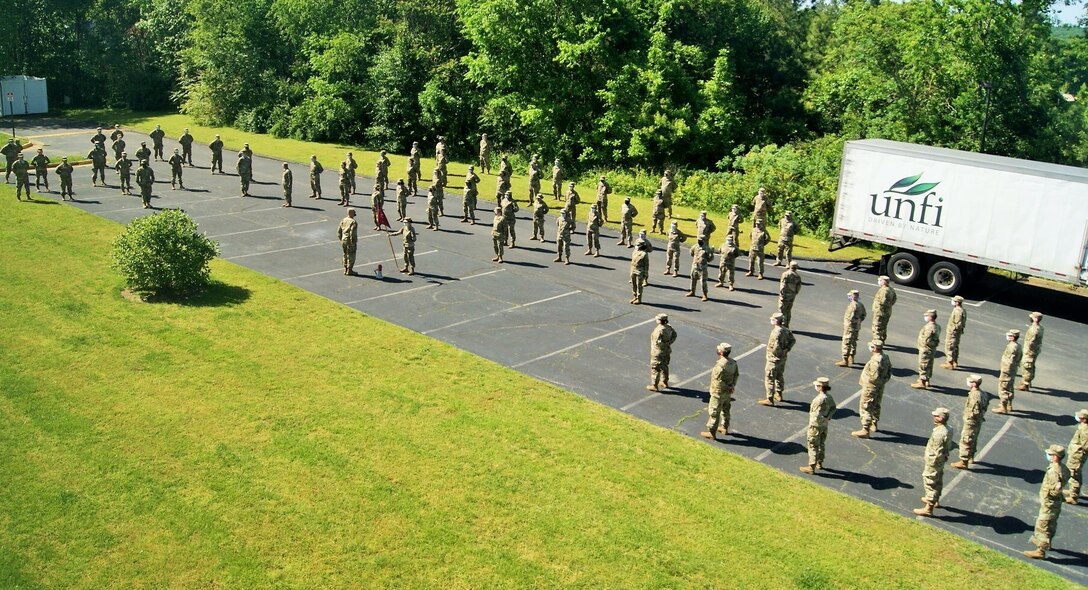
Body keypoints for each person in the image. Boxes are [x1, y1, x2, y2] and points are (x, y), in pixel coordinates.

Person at [1024, 444, 1071, 559]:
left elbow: (1056, 489)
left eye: (1050, 454)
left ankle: (1040, 551)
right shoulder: (1063, 468)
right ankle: (1046, 544)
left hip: (1049, 504)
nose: (1048, 456)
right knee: (1051, 525)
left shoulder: (1053, 472)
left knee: (1043, 526)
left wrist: (1052, 494)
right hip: (1056, 503)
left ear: (1055, 457)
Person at [913, 407, 953, 517]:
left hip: (934, 461)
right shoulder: (948, 429)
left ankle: (929, 507)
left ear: (941, 418)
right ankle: (935, 500)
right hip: (941, 459)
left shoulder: (939, 433)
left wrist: (931, 462)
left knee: (930, 481)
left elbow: (936, 451)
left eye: (936, 416)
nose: (934, 417)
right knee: (938, 479)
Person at [852, 340, 892, 437]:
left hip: (871, 387)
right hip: (880, 386)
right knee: (876, 404)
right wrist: (882, 382)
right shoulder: (885, 357)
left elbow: (874, 377)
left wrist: (868, 382)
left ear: (874, 348)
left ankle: (865, 429)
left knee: (866, 406)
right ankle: (874, 423)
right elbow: (889, 373)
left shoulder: (875, 361)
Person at [701, 343, 740, 440]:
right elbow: (736, 375)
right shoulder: (733, 363)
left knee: (714, 412)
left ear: (721, 352)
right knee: (725, 410)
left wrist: (726, 387)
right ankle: (724, 427)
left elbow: (718, 381)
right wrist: (731, 386)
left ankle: (711, 432)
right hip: (727, 392)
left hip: (718, 392)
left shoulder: (720, 365)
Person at [951, 375, 989, 470]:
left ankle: (964, 461)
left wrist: (969, 418)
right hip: (978, 420)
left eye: (970, 381)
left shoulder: (975, 395)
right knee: (974, 438)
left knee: (966, 439)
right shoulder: (983, 393)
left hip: (972, 421)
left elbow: (974, 410)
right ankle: (971, 457)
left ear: (974, 383)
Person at [800, 377, 837, 474]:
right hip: (824, 425)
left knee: (813, 445)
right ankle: (819, 463)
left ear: (820, 387)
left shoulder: (818, 400)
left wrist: (814, 424)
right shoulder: (828, 397)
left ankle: (811, 467)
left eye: (817, 385)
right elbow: (833, 408)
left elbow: (815, 415)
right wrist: (828, 418)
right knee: (821, 444)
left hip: (815, 426)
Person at [758, 313, 795, 406]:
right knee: (779, 375)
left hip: (773, 359)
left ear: (775, 321)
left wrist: (776, 354)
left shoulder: (775, 332)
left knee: (769, 378)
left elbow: (775, 347)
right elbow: (793, 340)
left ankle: (769, 398)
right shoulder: (786, 330)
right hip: (782, 359)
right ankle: (779, 394)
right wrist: (786, 350)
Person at [910, 309, 940, 390]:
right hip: (931, 349)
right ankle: (926, 380)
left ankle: (922, 382)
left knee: (923, 365)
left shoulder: (929, 327)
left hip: (926, 349)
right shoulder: (937, 326)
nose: (925, 317)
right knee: (929, 365)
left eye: (927, 316)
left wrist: (923, 346)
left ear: (930, 317)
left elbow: (927, 340)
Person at [836, 290, 867, 367]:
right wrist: (858, 322)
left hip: (850, 327)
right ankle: (851, 357)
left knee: (846, 342)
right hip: (856, 327)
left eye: (850, 295)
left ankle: (845, 360)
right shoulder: (860, 304)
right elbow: (864, 315)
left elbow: (850, 317)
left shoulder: (853, 305)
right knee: (853, 342)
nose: (849, 297)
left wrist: (851, 324)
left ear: (853, 296)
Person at [994, 329, 1022, 414]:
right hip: (1013, 370)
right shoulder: (1018, 345)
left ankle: (1003, 407)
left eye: (1009, 336)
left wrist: (1005, 370)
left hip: (1007, 370)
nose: (1008, 337)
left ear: (1013, 337)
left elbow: (1009, 360)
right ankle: (1009, 405)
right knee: (1010, 386)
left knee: (1003, 387)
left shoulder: (1012, 347)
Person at [648, 314, 677, 391]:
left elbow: (657, 342)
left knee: (655, 368)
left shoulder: (659, 330)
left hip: (658, 352)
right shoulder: (669, 327)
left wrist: (660, 346)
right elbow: (674, 335)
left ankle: (654, 385)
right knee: (664, 366)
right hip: (666, 350)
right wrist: (669, 342)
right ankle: (664, 381)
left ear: (660, 320)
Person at [1065, 409, 1088, 504]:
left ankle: (1073, 496)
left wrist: (1079, 453)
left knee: (1074, 474)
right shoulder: (1082, 426)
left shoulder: (1085, 429)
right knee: (1072, 472)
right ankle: (1072, 491)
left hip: (1077, 456)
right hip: (1075, 454)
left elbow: (1086, 445)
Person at [1018, 312, 1044, 391]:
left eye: (1032, 317)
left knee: (1027, 366)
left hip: (1030, 352)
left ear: (1035, 319)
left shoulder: (1034, 329)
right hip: (1034, 351)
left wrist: (1029, 350)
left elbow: (1031, 342)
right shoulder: (1040, 327)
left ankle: (1026, 384)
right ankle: (1025, 380)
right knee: (1028, 365)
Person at [941, 295, 967, 369]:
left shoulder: (958, 311)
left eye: (954, 301)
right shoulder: (962, 310)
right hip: (957, 332)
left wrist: (952, 330)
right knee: (955, 346)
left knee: (950, 346)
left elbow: (957, 323)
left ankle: (950, 363)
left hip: (953, 332)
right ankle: (954, 361)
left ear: (957, 302)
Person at [871, 275, 897, 343]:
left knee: (877, 326)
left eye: (880, 280)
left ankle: (877, 342)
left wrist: (878, 308)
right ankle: (882, 340)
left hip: (880, 312)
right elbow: (894, 299)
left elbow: (882, 302)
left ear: (884, 282)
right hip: (887, 312)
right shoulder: (891, 289)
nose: (878, 282)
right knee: (883, 326)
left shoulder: (884, 290)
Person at [776, 262, 802, 327]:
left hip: (785, 295)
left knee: (782, 310)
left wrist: (782, 294)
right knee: (788, 311)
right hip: (792, 295)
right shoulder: (797, 276)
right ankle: (787, 324)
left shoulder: (785, 274)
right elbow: (798, 287)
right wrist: (795, 293)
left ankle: (782, 325)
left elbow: (783, 285)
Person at [337, 209, 359, 276]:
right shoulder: (353, 222)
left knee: (345, 254)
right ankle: (349, 270)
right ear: (352, 213)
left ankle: (345, 269)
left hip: (344, 239)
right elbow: (352, 232)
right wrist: (353, 241)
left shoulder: (343, 220)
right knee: (351, 255)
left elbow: (339, 231)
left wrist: (341, 239)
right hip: (349, 240)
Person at [630, 240, 650, 304]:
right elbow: (632, 261)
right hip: (633, 269)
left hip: (640, 270)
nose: (636, 246)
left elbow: (646, 264)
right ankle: (634, 296)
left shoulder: (644, 254)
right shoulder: (634, 251)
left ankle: (639, 298)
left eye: (638, 245)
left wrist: (646, 273)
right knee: (633, 284)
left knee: (639, 285)